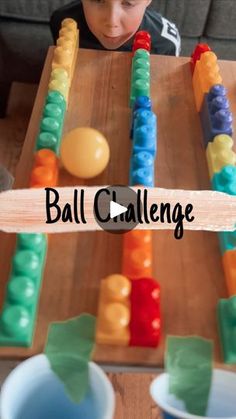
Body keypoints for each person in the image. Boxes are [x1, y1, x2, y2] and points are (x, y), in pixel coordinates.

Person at [50, 0, 181, 56]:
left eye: (128, 3)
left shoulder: (166, 44)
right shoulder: (61, 23)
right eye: (98, 0)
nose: (112, 22)